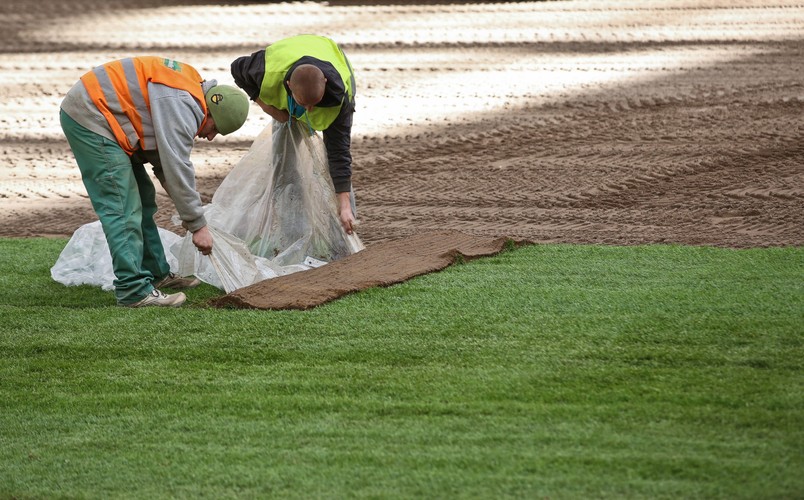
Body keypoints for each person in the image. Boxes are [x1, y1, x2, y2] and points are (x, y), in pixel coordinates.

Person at [60, 56, 250, 308]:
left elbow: (164, 163)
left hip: (106, 113)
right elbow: (176, 167)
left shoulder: (190, 91)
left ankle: (157, 274)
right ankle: (133, 290)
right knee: (123, 206)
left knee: (143, 200)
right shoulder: (183, 106)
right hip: (92, 117)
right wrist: (197, 225)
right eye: (214, 128)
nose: (210, 137)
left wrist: (194, 219)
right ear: (212, 112)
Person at [230, 35, 357, 235]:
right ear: (288, 84)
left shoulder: (342, 99)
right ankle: (291, 233)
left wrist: (345, 205)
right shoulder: (264, 70)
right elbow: (236, 68)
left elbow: (339, 153)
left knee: (333, 167)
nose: (310, 110)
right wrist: (267, 107)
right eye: (304, 104)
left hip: (329, 59)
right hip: (285, 65)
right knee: (284, 164)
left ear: (325, 82)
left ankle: (344, 228)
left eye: (314, 104)